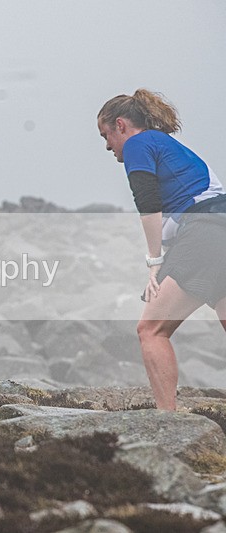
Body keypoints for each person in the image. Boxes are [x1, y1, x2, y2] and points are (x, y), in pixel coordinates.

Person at [97, 89, 226, 411]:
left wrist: (154, 261)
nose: (107, 146)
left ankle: (168, 418)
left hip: (206, 232)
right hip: (215, 229)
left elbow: (148, 202)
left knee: (151, 329)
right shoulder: (165, 144)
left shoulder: (140, 144)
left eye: (106, 135)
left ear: (121, 125)